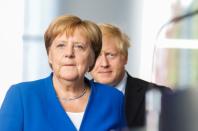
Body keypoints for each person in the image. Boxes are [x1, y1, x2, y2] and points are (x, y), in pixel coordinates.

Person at [0, 15, 126, 131]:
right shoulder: (21, 96)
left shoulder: (114, 99)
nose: (69, 53)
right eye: (61, 45)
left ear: (93, 57)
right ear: (49, 55)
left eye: (79, 46)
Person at [90, 23, 172, 128]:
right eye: (97, 56)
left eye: (111, 55)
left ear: (125, 58)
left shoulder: (161, 96)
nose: (104, 64)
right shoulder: (71, 98)